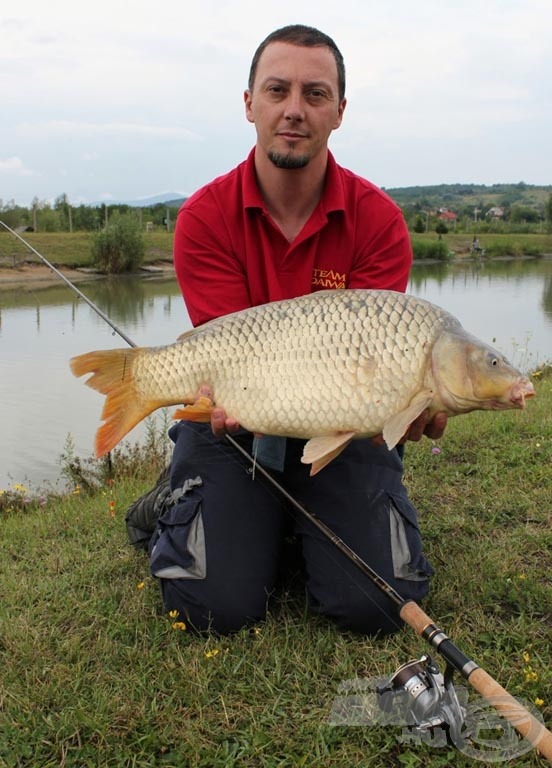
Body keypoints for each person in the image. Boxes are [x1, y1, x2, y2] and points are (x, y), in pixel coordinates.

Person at [146, 24, 447, 636]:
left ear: (339, 111)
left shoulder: (378, 221)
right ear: (249, 103)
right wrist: (220, 402)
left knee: (377, 606)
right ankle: (174, 503)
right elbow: (226, 356)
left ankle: (282, 520)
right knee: (213, 608)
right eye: (277, 90)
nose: (294, 110)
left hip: (343, 432)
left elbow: (375, 369)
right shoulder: (204, 218)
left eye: (315, 94)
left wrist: (404, 406)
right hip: (235, 430)